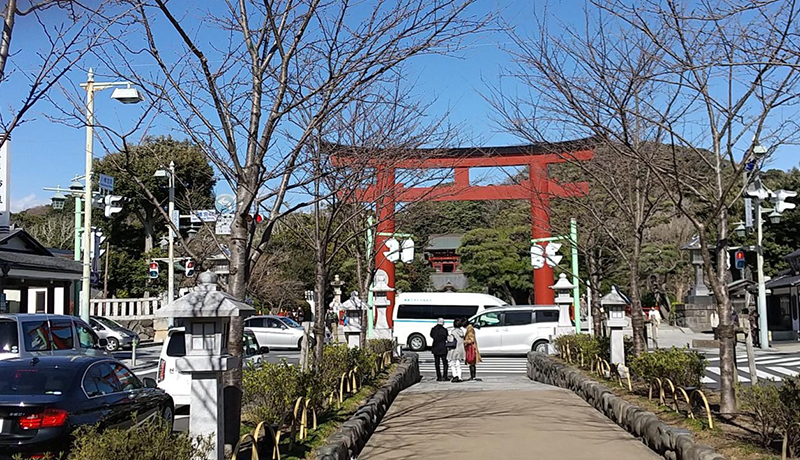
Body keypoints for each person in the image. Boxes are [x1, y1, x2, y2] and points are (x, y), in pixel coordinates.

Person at [447, 318, 466, 383]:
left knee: (452, 363)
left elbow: (450, 340)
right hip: (460, 349)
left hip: (454, 349)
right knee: (458, 364)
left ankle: (455, 376)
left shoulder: (453, 332)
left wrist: (448, 336)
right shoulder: (461, 331)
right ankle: (460, 377)